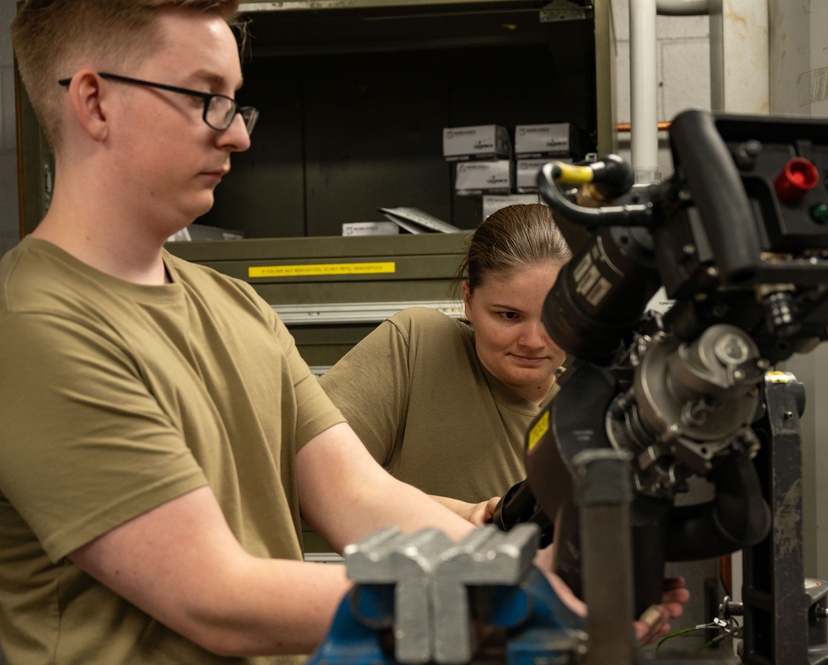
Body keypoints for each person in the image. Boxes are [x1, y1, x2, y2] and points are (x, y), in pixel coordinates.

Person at [0, 1, 687, 663]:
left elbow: (362, 497)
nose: (238, 132)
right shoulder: (33, 324)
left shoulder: (234, 306)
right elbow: (215, 597)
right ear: (94, 102)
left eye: (237, 102)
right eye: (202, 95)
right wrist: (507, 598)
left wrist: (544, 572)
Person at [319, 204, 569, 525]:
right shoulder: (418, 346)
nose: (534, 341)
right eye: (509, 315)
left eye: (555, 315)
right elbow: (303, 471)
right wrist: (461, 514)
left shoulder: (595, 408)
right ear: (468, 300)